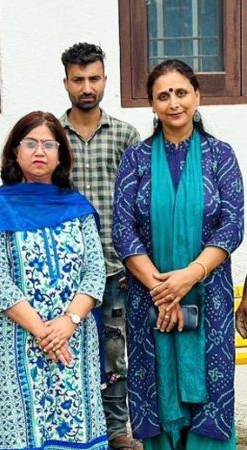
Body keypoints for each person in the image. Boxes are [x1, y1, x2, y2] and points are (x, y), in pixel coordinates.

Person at [112, 59, 244, 450]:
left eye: (181, 92)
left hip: (209, 294)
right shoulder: (135, 159)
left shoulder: (221, 156)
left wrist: (189, 276)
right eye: (163, 95)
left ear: (197, 96)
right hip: (148, 299)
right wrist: (161, 289)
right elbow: (123, 229)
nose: (174, 103)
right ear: (152, 104)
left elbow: (232, 224)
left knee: (210, 386)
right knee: (156, 386)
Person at [0, 111, 108, 450]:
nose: (39, 151)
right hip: (13, 341)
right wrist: (42, 329)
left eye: (49, 144)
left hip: (73, 340)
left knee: (75, 432)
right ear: (14, 152)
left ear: (61, 153)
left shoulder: (77, 206)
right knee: (20, 437)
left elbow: (95, 270)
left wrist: (69, 322)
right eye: (30, 143)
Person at [58, 42, 141, 450]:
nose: (86, 87)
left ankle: (116, 430)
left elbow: (139, 204)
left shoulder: (126, 135)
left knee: (114, 353)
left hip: (116, 268)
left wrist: (136, 261)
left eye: (94, 78)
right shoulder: (52, 135)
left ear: (105, 80)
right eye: (78, 79)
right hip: (65, 272)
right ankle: (75, 425)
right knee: (70, 352)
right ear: (66, 83)